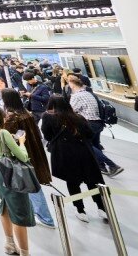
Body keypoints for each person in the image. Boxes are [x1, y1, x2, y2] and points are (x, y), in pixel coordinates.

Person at [41, 95, 108, 223]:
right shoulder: (78, 117)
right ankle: (101, 208)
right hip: (85, 152)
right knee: (92, 181)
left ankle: (80, 210)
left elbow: (47, 136)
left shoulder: (48, 117)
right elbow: (90, 134)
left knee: (72, 182)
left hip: (65, 154)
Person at [0, 105, 34, 256]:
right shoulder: (3, 133)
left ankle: (9, 243)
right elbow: (23, 157)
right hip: (10, 170)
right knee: (19, 210)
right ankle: (25, 252)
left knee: (5, 203)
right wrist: (21, 142)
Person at [1, 89, 55, 228]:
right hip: (34, 153)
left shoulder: (12, 117)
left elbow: (10, 139)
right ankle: (41, 215)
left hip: (23, 155)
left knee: (31, 185)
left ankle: (45, 217)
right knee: (32, 183)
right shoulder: (26, 113)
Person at [67, 75, 123, 176]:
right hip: (98, 123)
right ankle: (102, 167)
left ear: (72, 85)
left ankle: (113, 166)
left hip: (88, 124)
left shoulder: (76, 96)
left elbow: (71, 111)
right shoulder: (88, 93)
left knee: (87, 145)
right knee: (95, 145)